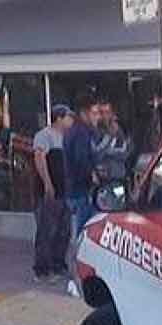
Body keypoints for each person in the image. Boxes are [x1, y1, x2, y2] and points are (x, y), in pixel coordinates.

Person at [32, 104, 75, 282]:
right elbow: (39, 158)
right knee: (47, 230)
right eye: (68, 117)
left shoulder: (66, 138)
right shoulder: (45, 136)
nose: (71, 121)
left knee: (64, 231)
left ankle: (59, 264)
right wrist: (47, 183)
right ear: (59, 118)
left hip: (64, 192)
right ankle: (42, 270)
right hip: (50, 192)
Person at [64, 94, 102, 238]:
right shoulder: (81, 133)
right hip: (81, 189)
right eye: (94, 113)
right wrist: (92, 175)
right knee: (83, 230)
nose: (97, 117)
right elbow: (81, 159)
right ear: (84, 113)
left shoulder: (76, 131)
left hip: (75, 188)